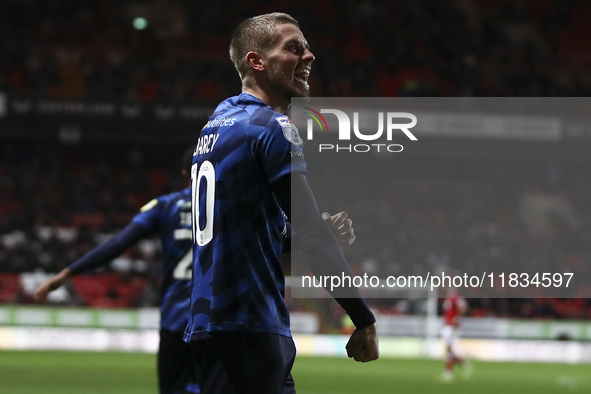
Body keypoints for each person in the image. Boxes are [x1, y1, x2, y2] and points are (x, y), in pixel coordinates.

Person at [34, 147, 355, 394]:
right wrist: (320, 234)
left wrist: (67, 273)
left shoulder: (165, 207)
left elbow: (118, 244)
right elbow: (278, 243)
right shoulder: (238, 206)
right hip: (218, 319)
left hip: (176, 321)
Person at [185, 12, 379, 394]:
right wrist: (363, 319)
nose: (309, 56)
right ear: (256, 61)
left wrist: (317, 234)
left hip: (218, 325)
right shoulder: (271, 127)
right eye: (293, 48)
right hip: (248, 328)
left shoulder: (218, 122)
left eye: (306, 48)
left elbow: (254, 243)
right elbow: (311, 236)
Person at [440, 289, 472, 381]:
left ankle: (448, 372)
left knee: (448, 348)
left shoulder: (455, 296)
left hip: (452, 326)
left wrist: (457, 318)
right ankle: (462, 362)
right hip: (447, 325)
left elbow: (463, 305)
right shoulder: (449, 297)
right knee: (449, 349)